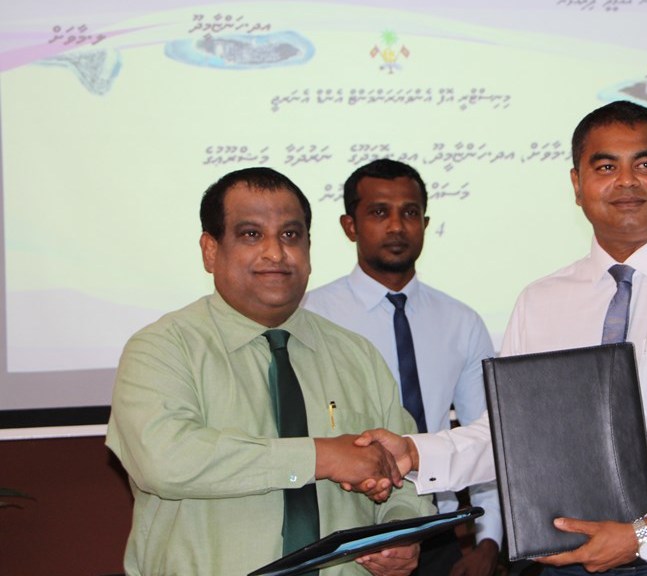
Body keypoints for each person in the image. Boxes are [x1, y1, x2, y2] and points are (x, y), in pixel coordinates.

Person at [358, 100, 647, 575]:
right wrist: (415, 453)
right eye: (605, 167)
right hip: (570, 558)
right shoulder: (541, 301)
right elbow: (515, 439)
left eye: (645, 165)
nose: (626, 182)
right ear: (577, 185)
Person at [105, 167, 433, 576]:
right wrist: (322, 456)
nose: (276, 253)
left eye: (291, 235)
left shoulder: (358, 356)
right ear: (210, 250)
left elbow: (407, 474)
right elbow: (166, 461)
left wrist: (400, 532)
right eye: (251, 234)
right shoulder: (162, 348)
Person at [304, 159, 502, 576]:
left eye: (410, 213)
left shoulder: (461, 321)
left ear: (425, 224)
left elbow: (488, 432)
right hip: (345, 528)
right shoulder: (311, 316)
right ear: (349, 226)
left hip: (438, 528)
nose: (397, 226)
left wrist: (489, 541)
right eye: (379, 212)